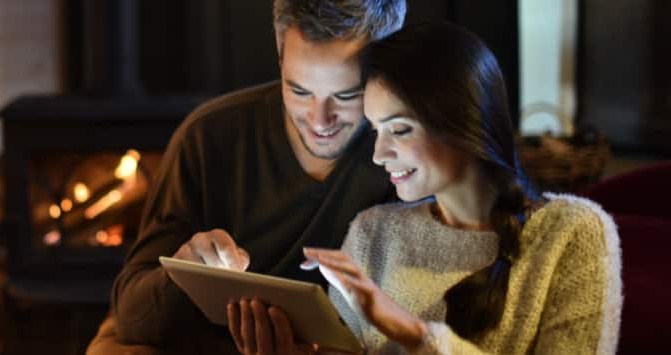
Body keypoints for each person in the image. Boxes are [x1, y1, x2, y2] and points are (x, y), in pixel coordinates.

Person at [227, 23, 623, 354]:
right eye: (377, 130)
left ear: (463, 123)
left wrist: (413, 332)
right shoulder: (373, 232)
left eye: (399, 130)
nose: (379, 154)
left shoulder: (572, 232)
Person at [86, 0, 407, 353]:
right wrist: (182, 271)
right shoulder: (211, 136)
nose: (319, 120)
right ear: (279, 51)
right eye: (299, 91)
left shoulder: (411, 154)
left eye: (346, 96)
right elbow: (131, 317)